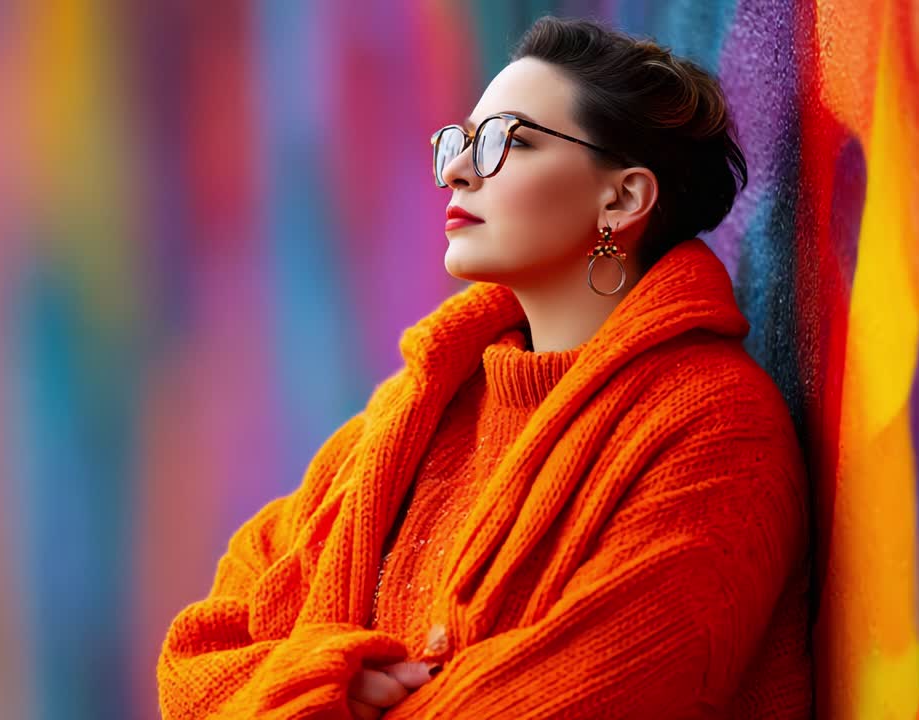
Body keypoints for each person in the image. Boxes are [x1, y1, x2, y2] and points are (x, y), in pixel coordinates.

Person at [157, 15, 810, 719]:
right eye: (462, 142)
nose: (461, 168)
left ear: (621, 199)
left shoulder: (714, 431)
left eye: (507, 141)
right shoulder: (409, 418)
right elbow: (194, 663)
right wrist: (333, 686)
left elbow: (579, 696)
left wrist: (292, 696)